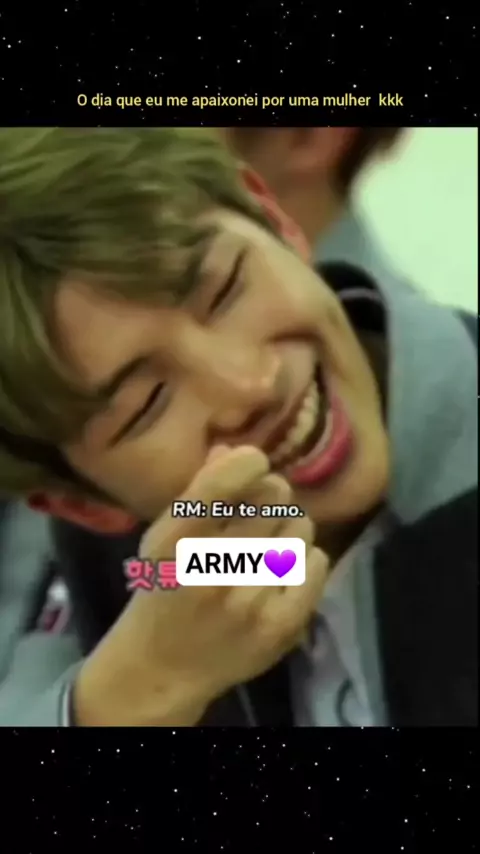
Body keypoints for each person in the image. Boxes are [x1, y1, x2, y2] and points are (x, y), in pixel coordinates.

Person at [0, 128, 476, 727]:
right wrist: (134, 689)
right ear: (83, 504)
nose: (249, 386)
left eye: (226, 291)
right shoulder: (156, 567)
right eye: (148, 404)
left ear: (274, 219)